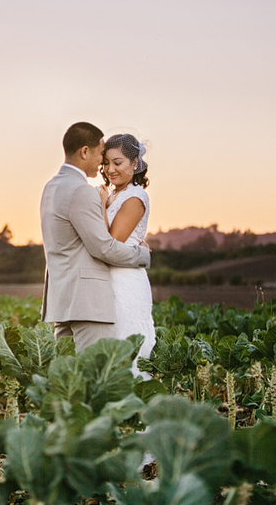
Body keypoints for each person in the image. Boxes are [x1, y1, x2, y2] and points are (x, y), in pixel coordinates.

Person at [40, 122, 150, 352]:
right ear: (84, 152)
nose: (104, 164)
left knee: (70, 377)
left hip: (63, 299)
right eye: (102, 156)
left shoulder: (51, 187)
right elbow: (104, 248)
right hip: (89, 302)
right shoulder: (81, 190)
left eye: (114, 161)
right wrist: (142, 254)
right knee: (98, 376)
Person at [99, 133, 156, 378]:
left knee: (128, 343)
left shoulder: (134, 197)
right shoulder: (111, 194)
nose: (110, 169)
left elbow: (110, 243)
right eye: (106, 163)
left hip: (126, 283)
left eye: (118, 163)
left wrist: (99, 206)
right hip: (108, 281)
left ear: (134, 164)